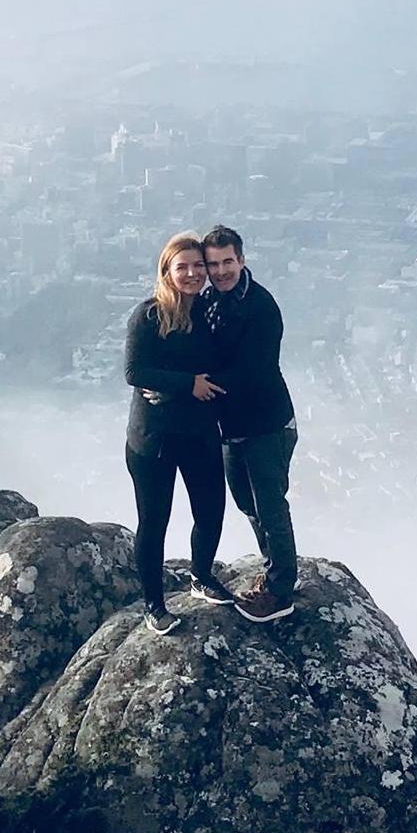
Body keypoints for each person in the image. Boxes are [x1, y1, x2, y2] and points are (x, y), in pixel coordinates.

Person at [122, 232, 238, 634]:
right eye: (183, 267)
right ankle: (154, 605)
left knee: (210, 510)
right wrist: (187, 384)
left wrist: (175, 388)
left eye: (197, 266)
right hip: (152, 441)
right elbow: (135, 372)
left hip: (200, 433)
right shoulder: (150, 315)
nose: (192, 273)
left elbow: (221, 367)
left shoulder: (208, 313)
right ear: (167, 272)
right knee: (154, 521)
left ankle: (201, 575)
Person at [199, 224, 300, 623]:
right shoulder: (209, 302)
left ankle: (281, 590)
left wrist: (195, 388)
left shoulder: (260, 307)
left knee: (270, 505)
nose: (221, 270)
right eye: (214, 264)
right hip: (232, 429)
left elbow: (253, 371)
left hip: (268, 424)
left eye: (228, 261)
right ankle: (272, 568)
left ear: (242, 260)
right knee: (247, 503)